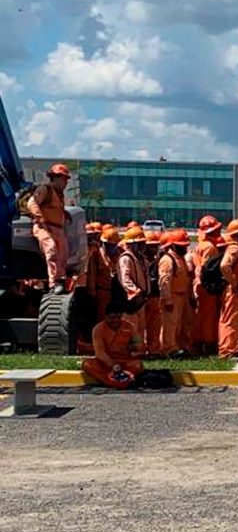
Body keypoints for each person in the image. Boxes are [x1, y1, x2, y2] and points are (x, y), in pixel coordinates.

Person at [28, 163, 72, 293]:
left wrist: (64, 214)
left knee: (63, 253)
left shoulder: (59, 194)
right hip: (44, 227)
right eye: (63, 179)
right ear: (55, 178)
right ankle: (54, 282)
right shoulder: (44, 189)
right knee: (51, 249)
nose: (65, 183)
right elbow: (32, 203)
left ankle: (61, 279)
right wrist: (40, 218)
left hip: (58, 229)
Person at [82, 305, 144, 388]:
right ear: (106, 317)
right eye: (112, 318)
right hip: (105, 363)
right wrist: (113, 365)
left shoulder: (130, 327)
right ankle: (114, 381)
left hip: (124, 361)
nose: (116, 320)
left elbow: (139, 344)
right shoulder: (98, 329)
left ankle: (123, 378)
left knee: (138, 365)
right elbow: (100, 353)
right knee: (87, 365)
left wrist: (131, 347)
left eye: (119, 317)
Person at [217, 219, 238, 360]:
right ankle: (227, 351)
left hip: (235, 288)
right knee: (231, 320)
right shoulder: (235, 247)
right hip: (235, 289)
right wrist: (234, 283)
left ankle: (230, 348)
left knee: (233, 320)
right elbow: (224, 266)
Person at [192, 216, 223, 354]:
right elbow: (208, 268)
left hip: (199, 284)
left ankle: (199, 343)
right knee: (209, 317)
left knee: (201, 315)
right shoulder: (210, 247)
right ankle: (208, 343)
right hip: (207, 285)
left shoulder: (200, 245)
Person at [157, 230, 189, 357]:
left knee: (176, 324)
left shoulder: (179, 258)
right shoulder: (168, 260)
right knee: (169, 324)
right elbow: (164, 281)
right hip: (172, 296)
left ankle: (174, 347)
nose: (184, 248)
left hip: (180, 296)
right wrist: (168, 299)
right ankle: (168, 349)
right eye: (181, 246)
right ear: (173, 246)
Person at [115, 225, 150, 345]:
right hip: (131, 300)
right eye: (140, 243)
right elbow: (125, 279)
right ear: (132, 244)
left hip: (141, 299)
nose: (143, 246)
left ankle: (138, 350)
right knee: (130, 327)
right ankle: (127, 350)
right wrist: (135, 292)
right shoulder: (126, 258)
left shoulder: (142, 259)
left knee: (140, 327)